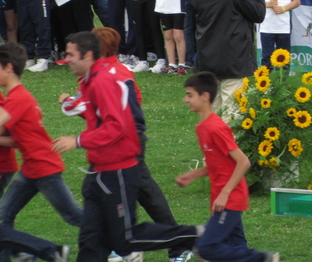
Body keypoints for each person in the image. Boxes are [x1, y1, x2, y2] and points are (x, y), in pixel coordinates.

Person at [52, 32, 201, 261]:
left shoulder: (106, 78)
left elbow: (116, 124)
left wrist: (77, 138)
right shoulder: (102, 76)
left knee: (133, 219)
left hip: (120, 155)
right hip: (102, 163)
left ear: (92, 52)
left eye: (71, 54)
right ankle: (170, 243)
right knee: (92, 239)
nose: (66, 60)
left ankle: (187, 238)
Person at [178, 72, 279, 262]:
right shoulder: (202, 128)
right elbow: (217, 164)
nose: (186, 100)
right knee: (236, 246)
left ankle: (262, 258)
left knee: (206, 248)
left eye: (190, 95)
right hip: (221, 197)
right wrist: (193, 175)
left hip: (230, 198)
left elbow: (243, 162)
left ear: (205, 96)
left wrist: (225, 192)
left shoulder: (216, 128)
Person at [0, 41, 83, 262]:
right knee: (2, 219)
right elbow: (17, 140)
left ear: (8, 68)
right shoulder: (16, 98)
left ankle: (122, 240)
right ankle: (30, 254)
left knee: (73, 215)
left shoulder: (17, 99)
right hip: (31, 168)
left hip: (44, 167)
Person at [192, 0, 266, 115]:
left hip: (207, 59)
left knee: (212, 111)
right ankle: (227, 141)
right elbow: (258, 14)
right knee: (232, 113)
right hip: (234, 59)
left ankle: (212, 141)